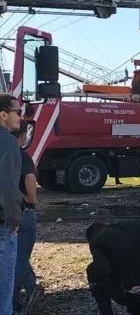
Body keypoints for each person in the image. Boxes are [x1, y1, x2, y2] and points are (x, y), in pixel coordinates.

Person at [85, 220, 140, 315]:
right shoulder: (134, 225)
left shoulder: (97, 241)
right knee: (129, 272)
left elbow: (103, 270)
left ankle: (107, 312)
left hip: (131, 294)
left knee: (92, 271)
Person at [12, 121, 44, 314]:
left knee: (16, 254)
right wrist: (31, 197)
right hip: (24, 212)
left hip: (6, 212)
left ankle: (32, 289)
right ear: (23, 136)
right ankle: (12, 301)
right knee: (21, 258)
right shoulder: (22, 156)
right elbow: (30, 177)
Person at [0, 93, 23, 314]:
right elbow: (7, 185)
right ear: (3, 114)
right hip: (2, 225)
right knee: (3, 294)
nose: (21, 117)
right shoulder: (7, 141)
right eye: (18, 112)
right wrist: (14, 218)